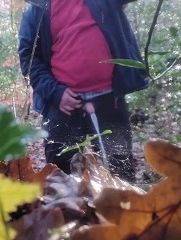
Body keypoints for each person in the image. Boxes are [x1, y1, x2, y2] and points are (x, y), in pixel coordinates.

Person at [18, 0, 149, 181]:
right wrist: (55, 93)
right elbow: (29, 59)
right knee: (60, 177)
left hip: (110, 101)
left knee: (120, 173)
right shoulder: (37, 11)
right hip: (62, 105)